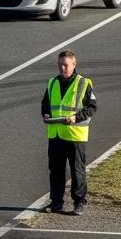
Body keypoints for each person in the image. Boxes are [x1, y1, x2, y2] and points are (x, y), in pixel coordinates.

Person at [41, 50, 97, 215]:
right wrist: (45, 114)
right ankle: (56, 202)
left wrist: (76, 117)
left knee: (77, 171)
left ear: (74, 65)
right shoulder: (52, 83)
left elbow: (92, 108)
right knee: (56, 170)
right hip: (56, 134)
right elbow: (45, 104)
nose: (62, 68)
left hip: (75, 135)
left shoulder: (83, 83)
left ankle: (79, 202)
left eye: (65, 65)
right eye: (60, 65)